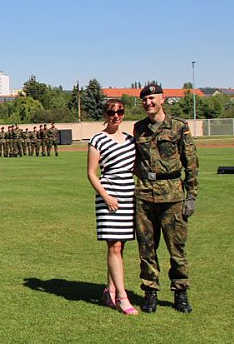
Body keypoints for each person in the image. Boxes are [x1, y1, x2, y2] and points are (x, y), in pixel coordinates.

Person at [133, 83, 199, 313]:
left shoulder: (179, 127)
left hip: (172, 195)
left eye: (152, 98)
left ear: (162, 99)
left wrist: (191, 195)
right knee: (146, 248)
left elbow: (191, 163)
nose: (148, 103)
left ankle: (180, 292)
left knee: (176, 249)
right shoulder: (138, 128)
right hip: (144, 195)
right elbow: (134, 162)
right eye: (144, 99)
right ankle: (150, 291)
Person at [87, 99, 138, 315]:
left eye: (119, 112)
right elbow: (91, 172)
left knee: (121, 246)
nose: (115, 116)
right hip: (109, 195)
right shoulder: (97, 140)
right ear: (105, 114)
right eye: (111, 112)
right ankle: (122, 297)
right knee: (114, 246)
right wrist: (106, 196)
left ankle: (110, 289)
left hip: (128, 195)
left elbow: (135, 168)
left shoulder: (129, 140)